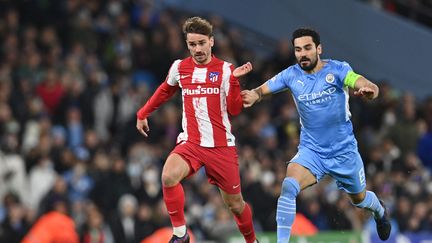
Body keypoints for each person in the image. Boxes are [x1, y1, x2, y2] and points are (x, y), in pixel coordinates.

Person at [241, 28, 391, 242]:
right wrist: (254, 95)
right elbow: (261, 91)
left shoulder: (338, 69)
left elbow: (365, 83)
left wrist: (370, 90)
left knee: (359, 199)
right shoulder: (290, 75)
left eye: (307, 48)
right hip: (313, 152)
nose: (302, 54)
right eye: (298, 49)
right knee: (289, 186)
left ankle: (380, 211)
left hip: (344, 152)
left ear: (318, 49)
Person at [136, 16, 258, 243]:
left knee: (235, 204)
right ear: (187, 44)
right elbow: (165, 90)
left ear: (211, 42)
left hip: (220, 147)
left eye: (202, 43)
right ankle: (181, 235)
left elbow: (234, 109)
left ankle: (252, 241)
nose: (197, 49)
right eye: (192, 44)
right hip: (191, 143)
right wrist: (143, 113)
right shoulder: (180, 67)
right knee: (168, 176)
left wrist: (234, 82)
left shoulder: (225, 70)